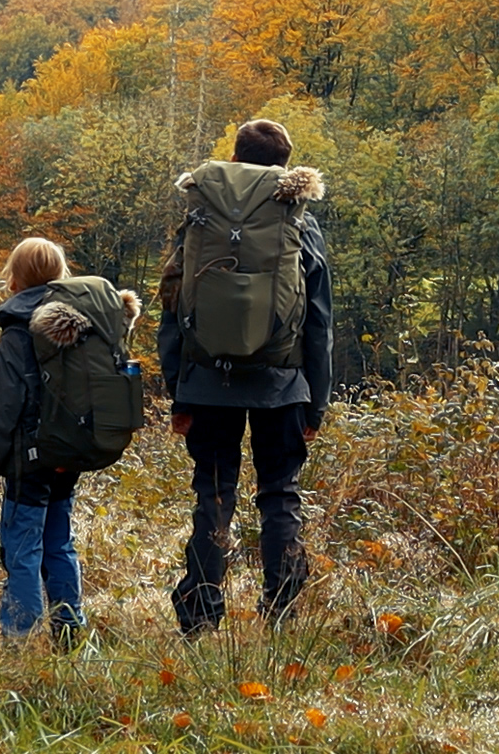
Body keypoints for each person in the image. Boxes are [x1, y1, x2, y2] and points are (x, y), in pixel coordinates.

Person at [159, 119, 334, 635]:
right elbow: (319, 321)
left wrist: (179, 391)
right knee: (279, 494)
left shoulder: (199, 214)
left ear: (234, 158)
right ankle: (280, 610)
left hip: (208, 382)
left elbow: (174, 307)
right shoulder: (298, 219)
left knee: (213, 493)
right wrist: (315, 402)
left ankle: (201, 614)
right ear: (284, 167)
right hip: (282, 385)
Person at [0, 237, 86, 643]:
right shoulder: (81, 322)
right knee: (59, 543)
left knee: (21, 549)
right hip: (68, 454)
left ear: (14, 279)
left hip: (27, 459)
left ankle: (18, 635)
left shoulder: (18, 331)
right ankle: (69, 630)